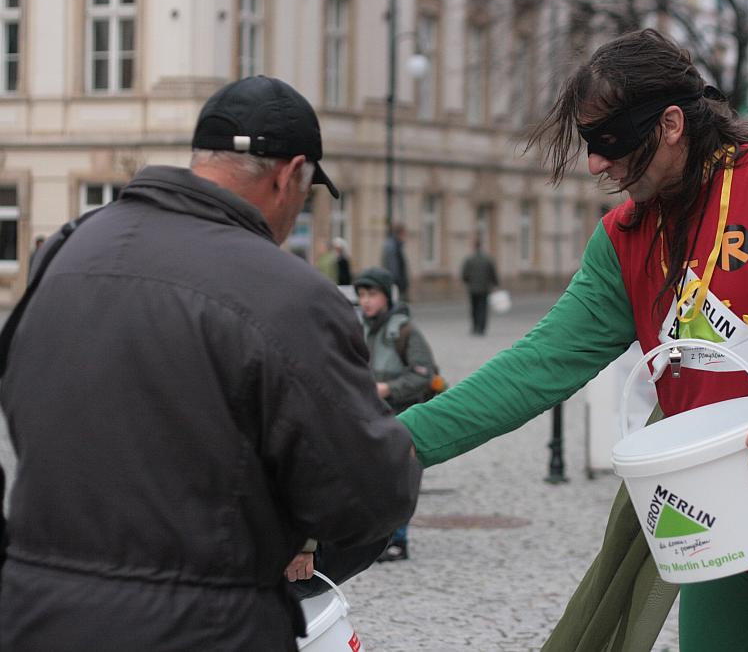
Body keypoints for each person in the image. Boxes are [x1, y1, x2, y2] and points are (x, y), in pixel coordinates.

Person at [398, 29, 748, 651]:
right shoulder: (624, 238)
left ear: (669, 124)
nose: (596, 164)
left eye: (609, 141)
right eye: (589, 144)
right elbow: (536, 366)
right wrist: (400, 443)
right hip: (710, 488)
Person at [0, 76, 422, 651]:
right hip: (203, 624)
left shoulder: (63, 252)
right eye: (306, 191)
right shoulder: (290, 294)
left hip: (35, 614)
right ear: (287, 174)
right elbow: (367, 499)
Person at [353, 266, 438, 562]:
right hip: (365, 416)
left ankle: (397, 541)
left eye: (372, 294)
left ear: (387, 296)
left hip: (401, 415)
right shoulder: (356, 327)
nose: (365, 301)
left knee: (397, 479)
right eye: (362, 295)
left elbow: (424, 375)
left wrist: (389, 388)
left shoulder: (405, 331)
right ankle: (370, 539)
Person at [460, 237, 499, 335]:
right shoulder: (487, 259)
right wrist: (495, 284)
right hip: (484, 288)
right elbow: (492, 273)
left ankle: (475, 326)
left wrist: (468, 282)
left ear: (474, 247)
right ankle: (482, 328)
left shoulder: (469, 259)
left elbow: (464, 274)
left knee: (474, 308)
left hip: (472, 288)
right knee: (483, 308)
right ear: (481, 246)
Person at [381, 223, 410, 302]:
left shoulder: (395, 245)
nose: (405, 236)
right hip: (395, 284)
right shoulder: (393, 246)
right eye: (404, 233)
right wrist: (398, 284)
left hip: (395, 284)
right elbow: (393, 268)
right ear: (400, 233)